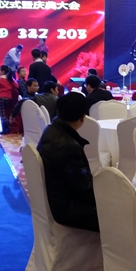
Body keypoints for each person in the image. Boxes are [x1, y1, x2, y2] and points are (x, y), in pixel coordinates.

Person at [37, 92, 99, 232]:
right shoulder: (68, 147)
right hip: (66, 208)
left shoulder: (51, 130)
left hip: (56, 197)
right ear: (83, 117)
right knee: (120, 212)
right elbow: (84, 190)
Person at [0, 65, 19, 134]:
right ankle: (9, 128)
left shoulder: (0, 79)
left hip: (1, 98)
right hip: (9, 98)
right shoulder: (10, 79)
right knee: (6, 113)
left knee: (2, 115)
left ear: (3, 71)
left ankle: (6, 129)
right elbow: (17, 86)